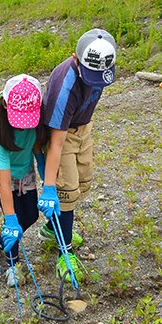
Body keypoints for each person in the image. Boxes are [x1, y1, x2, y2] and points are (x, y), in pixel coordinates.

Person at [38, 29, 117, 282]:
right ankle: (65, 252)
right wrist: (49, 186)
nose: (96, 82)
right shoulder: (66, 87)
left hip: (83, 128)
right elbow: (56, 143)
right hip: (61, 135)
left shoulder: (101, 66)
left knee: (83, 181)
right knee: (66, 191)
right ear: (76, 58)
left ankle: (53, 229)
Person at [0, 75, 50, 287]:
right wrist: (10, 220)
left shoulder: (34, 120)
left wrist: (46, 175)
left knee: (31, 214)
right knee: (15, 218)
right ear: (5, 104)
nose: (23, 126)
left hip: (23, 169)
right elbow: (3, 180)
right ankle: (13, 265)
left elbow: (36, 146)